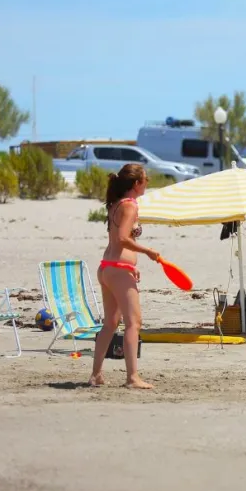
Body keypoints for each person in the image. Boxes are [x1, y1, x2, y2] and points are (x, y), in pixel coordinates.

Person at [90, 164, 160, 389]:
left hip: (107, 267)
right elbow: (122, 238)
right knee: (133, 322)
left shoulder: (115, 204)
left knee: (110, 323)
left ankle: (96, 375)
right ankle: (132, 377)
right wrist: (147, 251)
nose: (147, 183)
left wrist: (131, 264)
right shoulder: (129, 206)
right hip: (118, 269)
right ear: (136, 184)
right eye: (146, 180)